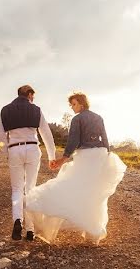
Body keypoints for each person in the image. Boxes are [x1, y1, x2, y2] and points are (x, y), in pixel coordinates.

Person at [26, 92, 126, 244]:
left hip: (86, 156)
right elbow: (105, 139)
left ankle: (42, 206)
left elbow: (73, 141)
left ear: (81, 103)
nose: (72, 108)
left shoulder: (77, 119)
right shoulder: (98, 117)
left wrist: (63, 159)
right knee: (94, 193)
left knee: (74, 186)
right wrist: (107, 156)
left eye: (73, 104)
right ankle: (92, 234)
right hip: (100, 155)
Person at [0, 84, 56, 241]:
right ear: (29, 94)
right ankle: (30, 231)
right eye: (33, 96)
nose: (33, 99)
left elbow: (1, 137)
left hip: (14, 149)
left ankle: (18, 220)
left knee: (17, 189)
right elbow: (46, 134)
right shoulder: (36, 110)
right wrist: (52, 156)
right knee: (30, 189)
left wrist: (7, 152)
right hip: (32, 149)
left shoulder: (5, 110)